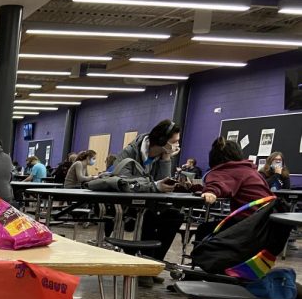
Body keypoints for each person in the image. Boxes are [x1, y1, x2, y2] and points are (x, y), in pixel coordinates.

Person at [113, 119, 184, 285]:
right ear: (161, 140)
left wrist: (166, 158)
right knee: (150, 216)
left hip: (149, 201)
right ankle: (143, 266)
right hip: (127, 204)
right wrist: (154, 186)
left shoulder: (161, 155)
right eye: (174, 142)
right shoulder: (130, 152)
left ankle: (152, 264)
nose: (176, 145)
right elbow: (124, 181)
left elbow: (162, 181)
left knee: (174, 216)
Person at [200, 138, 272, 211]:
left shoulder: (227, 170)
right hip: (266, 215)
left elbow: (218, 183)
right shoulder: (250, 170)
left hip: (250, 219)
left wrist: (210, 191)